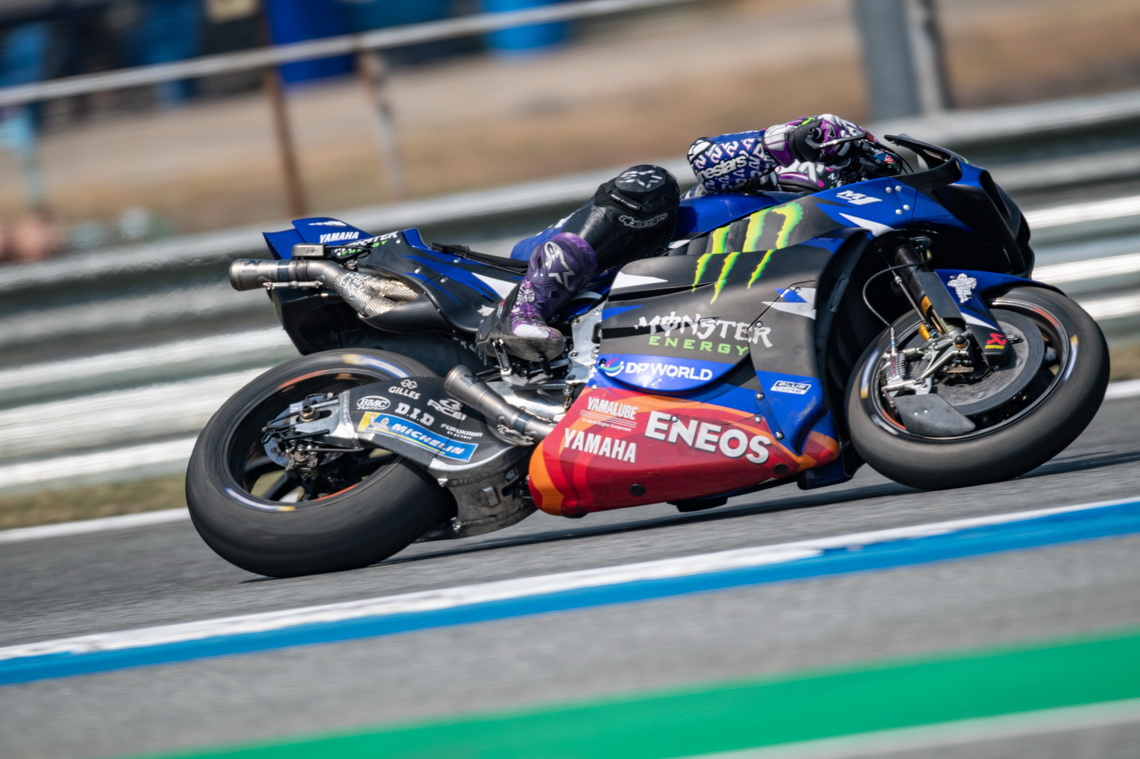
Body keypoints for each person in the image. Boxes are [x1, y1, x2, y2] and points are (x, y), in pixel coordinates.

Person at [477, 114, 901, 363]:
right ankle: (525, 309)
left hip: (675, 305)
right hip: (605, 259)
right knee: (648, 185)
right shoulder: (780, 182)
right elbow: (704, 156)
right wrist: (793, 138)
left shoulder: (834, 251)